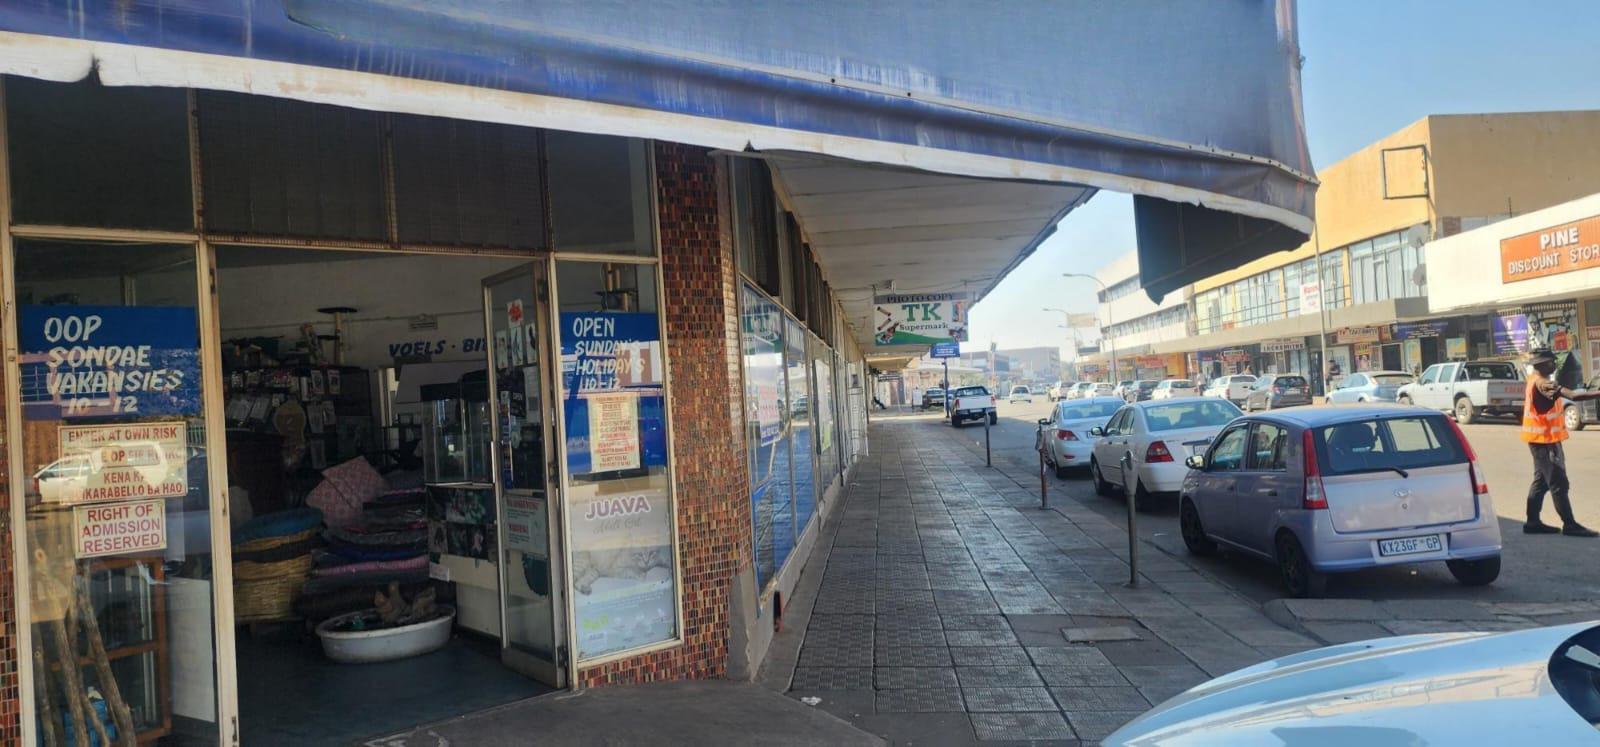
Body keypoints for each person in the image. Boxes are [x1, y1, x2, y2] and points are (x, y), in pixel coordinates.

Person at [1521, 349, 1600, 536]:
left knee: (1541, 482)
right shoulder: (1543, 383)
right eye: (1551, 362)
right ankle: (1570, 525)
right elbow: (1573, 396)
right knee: (1558, 483)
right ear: (1541, 364)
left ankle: (1532, 522)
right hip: (1545, 441)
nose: (1555, 365)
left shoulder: (1534, 380)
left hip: (1540, 440)